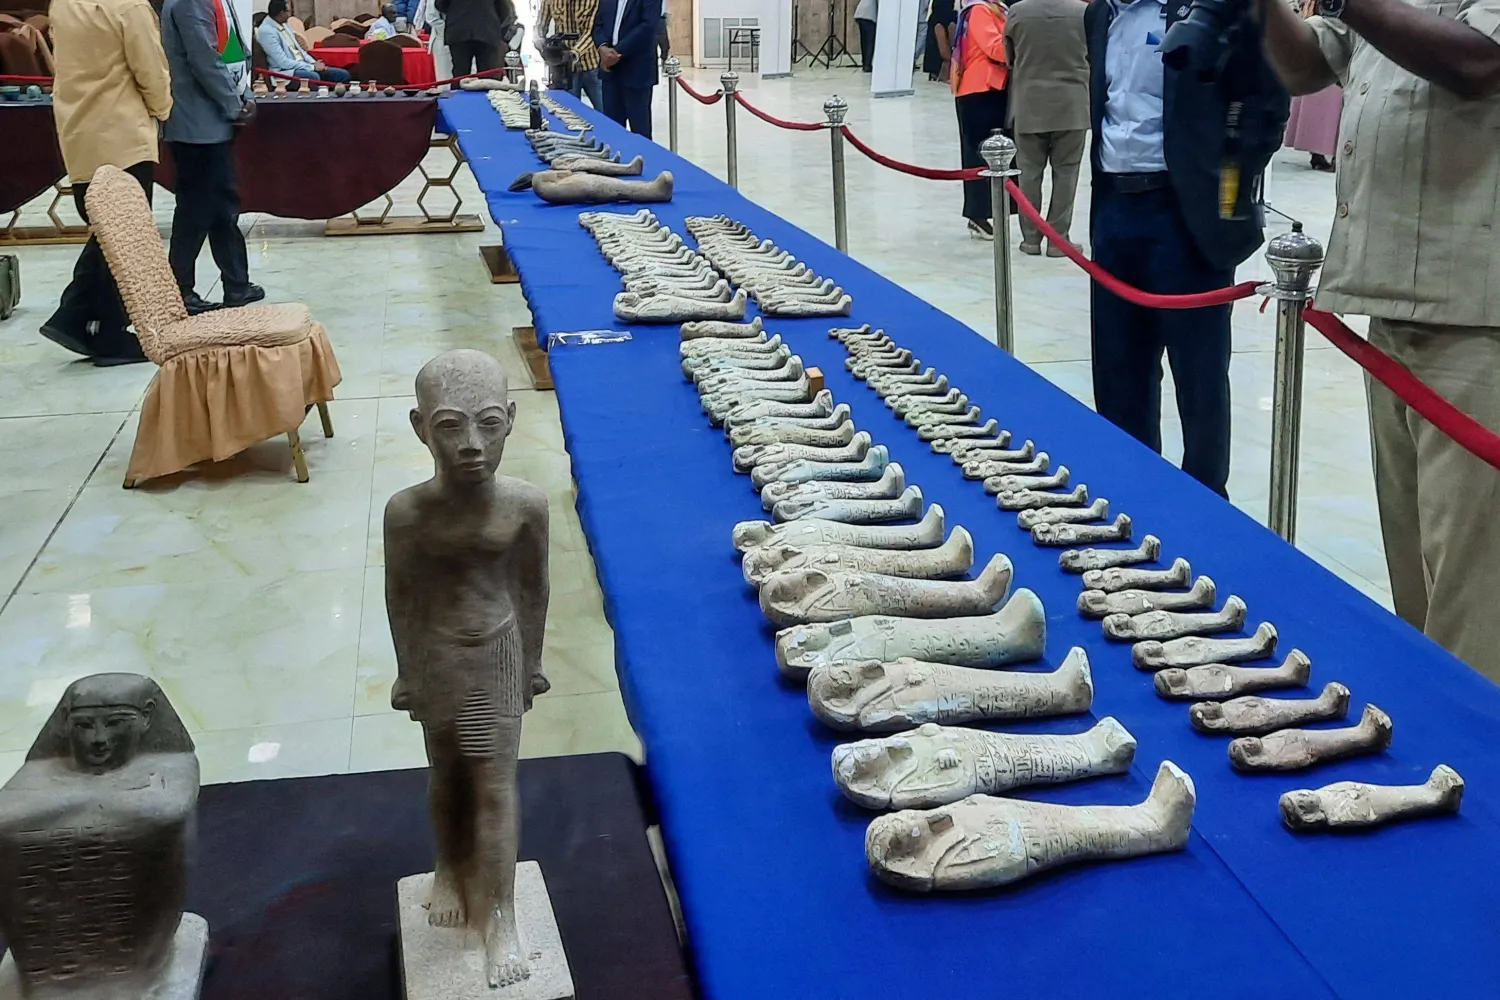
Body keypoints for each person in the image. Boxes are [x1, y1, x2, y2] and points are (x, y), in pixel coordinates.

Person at [1256, 0, 1500, 679]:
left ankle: (1471, 740)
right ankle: (1430, 725)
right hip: (1392, 301)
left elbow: (1479, 61)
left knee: (1472, 595)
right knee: (1415, 574)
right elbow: (1307, 66)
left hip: (1478, 317)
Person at [1085, 0, 1287, 496]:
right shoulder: (1101, 15)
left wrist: (1225, 180)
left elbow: (1267, 100)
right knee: (1118, 371)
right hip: (1113, 209)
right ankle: (1130, 494)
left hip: (1184, 215)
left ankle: (1205, 503)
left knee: (1199, 378)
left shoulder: (1212, 11)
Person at [41, 0, 171, 365]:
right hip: (122, 133)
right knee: (124, 238)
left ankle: (73, 316)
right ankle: (108, 333)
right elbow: (151, 70)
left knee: (106, 233)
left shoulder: (62, 5)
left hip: (78, 130)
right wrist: (162, 109)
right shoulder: (129, 6)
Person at [161, 0, 263, 313]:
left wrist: (245, 94)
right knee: (194, 211)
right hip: (197, 124)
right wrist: (234, 104)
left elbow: (234, 52)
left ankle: (237, 284)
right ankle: (178, 291)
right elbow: (205, 59)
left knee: (222, 206)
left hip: (215, 121)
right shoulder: (189, 2)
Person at [1003, 0, 1088, 255]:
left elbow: (1009, 58)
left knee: (1029, 173)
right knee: (1067, 173)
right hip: (1072, 105)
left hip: (1029, 102)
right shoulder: (1083, 12)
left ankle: (1030, 239)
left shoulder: (1018, 11)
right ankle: (1058, 240)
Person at [952, 0, 1009, 240]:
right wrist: (1026, 48)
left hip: (995, 90)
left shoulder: (997, 8)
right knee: (977, 155)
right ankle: (977, 215)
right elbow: (995, 48)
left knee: (995, 155)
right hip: (979, 91)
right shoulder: (979, 10)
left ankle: (991, 210)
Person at [594, 0, 663, 137]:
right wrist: (602, 47)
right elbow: (598, 24)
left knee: (640, 131)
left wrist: (617, 52)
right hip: (610, 70)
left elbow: (648, 27)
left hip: (637, 70)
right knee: (612, 130)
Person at [256, 0, 351, 82]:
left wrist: (313, 63)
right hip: (285, 72)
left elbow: (300, 51)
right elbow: (283, 62)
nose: (290, 15)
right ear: (281, 13)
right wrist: (312, 67)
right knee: (314, 77)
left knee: (343, 74)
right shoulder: (266, 32)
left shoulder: (284, 24)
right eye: (288, 11)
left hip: (303, 65)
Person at [536, 0, 603, 107]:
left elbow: (591, 31)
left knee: (603, 110)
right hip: (564, 69)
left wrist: (574, 53)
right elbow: (540, 26)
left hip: (591, 64)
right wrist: (541, 44)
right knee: (569, 111)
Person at [438, 0, 517, 72]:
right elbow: (504, 9)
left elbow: (440, 4)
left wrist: (456, 11)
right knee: (486, 73)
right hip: (487, 29)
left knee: (460, 72)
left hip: (459, 29)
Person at [413, 0, 454, 81]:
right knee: (445, 79)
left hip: (461, 39)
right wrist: (448, 31)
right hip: (442, 40)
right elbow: (431, 17)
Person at [923, 0, 954, 80]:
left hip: (941, 11)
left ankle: (935, 71)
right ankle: (937, 70)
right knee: (937, 41)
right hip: (944, 11)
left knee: (935, 41)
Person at [855, 0, 877, 72]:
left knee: (864, 41)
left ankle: (865, 63)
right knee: (869, 41)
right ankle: (867, 65)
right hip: (869, 15)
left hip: (861, 14)